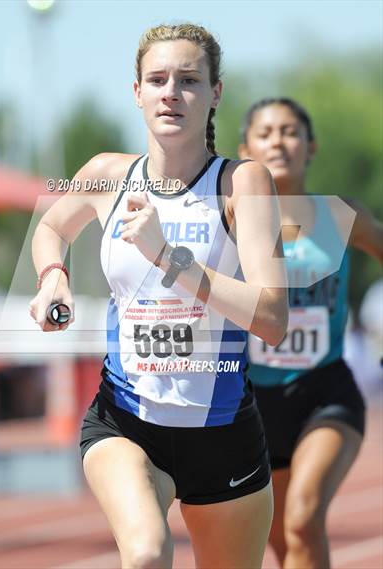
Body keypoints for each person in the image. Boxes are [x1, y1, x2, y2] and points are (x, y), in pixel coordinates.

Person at [29, 25, 289, 569]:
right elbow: (51, 226)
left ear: (215, 93)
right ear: (137, 92)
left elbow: (271, 318)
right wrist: (53, 274)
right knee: (146, 553)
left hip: (223, 434)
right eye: (158, 79)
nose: (172, 92)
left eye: (190, 80)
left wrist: (169, 256)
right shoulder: (107, 175)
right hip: (126, 422)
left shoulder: (242, 183)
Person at [238, 97, 383, 569]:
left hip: (327, 392)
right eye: (265, 133)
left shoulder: (342, 216)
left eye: (290, 131)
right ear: (245, 151)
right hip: (253, 403)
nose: (278, 141)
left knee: (303, 517)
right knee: (283, 540)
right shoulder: (228, 220)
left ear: (311, 146)